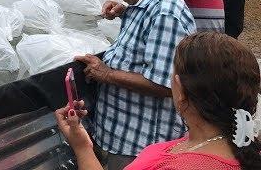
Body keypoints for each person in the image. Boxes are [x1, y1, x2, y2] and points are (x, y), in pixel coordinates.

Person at [57, 32, 261, 170]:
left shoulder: (182, 164)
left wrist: (81, 148)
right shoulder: (242, 145)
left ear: (180, 91)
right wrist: (82, 145)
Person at [75, 0, 196, 169]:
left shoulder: (164, 13)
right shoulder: (147, 5)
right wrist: (125, 12)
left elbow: (166, 85)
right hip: (120, 137)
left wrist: (107, 73)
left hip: (139, 147)